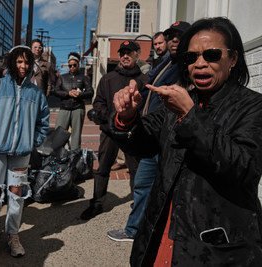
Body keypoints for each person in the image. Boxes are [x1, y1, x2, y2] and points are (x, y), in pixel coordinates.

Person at [113, 17, 262, 266]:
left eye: (212, 54)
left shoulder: (253, 106)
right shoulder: (179, 100)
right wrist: (128, 116)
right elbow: (143, 143)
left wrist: (190, 116)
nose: (200, 64)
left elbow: (244, 168)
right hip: (162, 232)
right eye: (191, 57)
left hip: (216, 246)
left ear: (233, 59)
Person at [107, 21, 191, 242]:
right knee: (143, 185)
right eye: (170, 36)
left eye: (179, 36)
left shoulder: (187, 65)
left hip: (170, 138)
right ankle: (135, 230)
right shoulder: (166, 63)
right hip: (152, 134)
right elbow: (146, 86)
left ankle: (149, 233)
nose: (174, 40)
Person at [0, 45, 49, 262]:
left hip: (21, 152)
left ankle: (13, 235)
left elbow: (43, 122)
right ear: (12, 62)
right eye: (19, 61)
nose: (23, 66)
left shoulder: (36, 93)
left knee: (17, 193)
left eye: (27, 62)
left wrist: (32, 141)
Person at [80, 40, 149, 220]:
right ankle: (97, 204)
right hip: (110, 132)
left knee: (136, 170)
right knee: (102, 168)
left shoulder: (144, 81)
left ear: (137, 55)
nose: (125, 55)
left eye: (130, 52)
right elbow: (98, 103)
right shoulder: (108, 78)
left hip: (132, 133)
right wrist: (113, 118)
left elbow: (147, 108)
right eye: (122, 52)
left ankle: (138, 205)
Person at [53, 52, 93, 151]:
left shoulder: (84, 78)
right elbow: (56, 91)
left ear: (78, 65)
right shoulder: (62, 77)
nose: (72, 67)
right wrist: (68, 93)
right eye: (70, 65)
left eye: (74, 65)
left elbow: (91, 92)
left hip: (78, 108)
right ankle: (57, 153)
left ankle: (75, 155)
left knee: (76, 134)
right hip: (64, 108)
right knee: (59, 132)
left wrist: (79, 94)